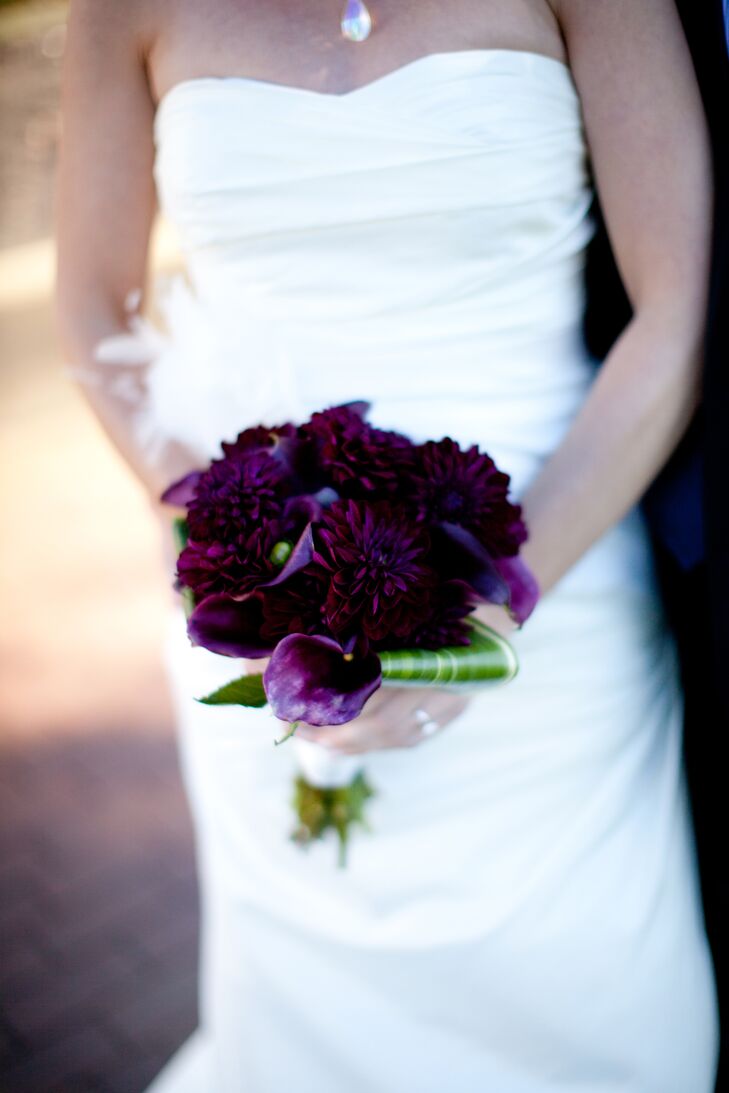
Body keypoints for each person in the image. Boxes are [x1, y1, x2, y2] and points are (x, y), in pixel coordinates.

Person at [54, 1, 720, 1089]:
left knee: (596, 1003)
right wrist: (230, 539)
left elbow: (677, 312)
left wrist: (504, 592)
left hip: (561, 591)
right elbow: (89, 306)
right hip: (272, 627)